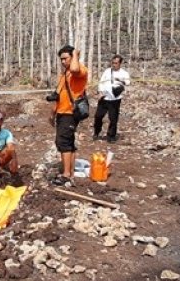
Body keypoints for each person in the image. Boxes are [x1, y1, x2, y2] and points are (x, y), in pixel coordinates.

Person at [48, 45, 89, 186]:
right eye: (61, 59)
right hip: (62, 112)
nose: (63, 61)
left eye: (66, 58)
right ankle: (70, 173)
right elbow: (59, 95)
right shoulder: (64, 75)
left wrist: (76, 55)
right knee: (67, 143)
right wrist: (53, 113)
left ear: (72, 57)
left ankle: (65, 175)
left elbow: (75, 69)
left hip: (70, 113)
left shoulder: (79, 70)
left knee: (64, 142)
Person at [93, 54, 131, 143]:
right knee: (98, 116)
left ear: (120, 63)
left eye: (116, 63)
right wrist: (100, 92)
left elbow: (128, 82)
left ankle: (111, 136)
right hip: (104, 98)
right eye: (113, 63)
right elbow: (101, 82)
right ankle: (96, 132)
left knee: (113, 119)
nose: (114, 65)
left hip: (115, 99)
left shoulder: (124, 73)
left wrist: (121, 80)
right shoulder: (107, 71)